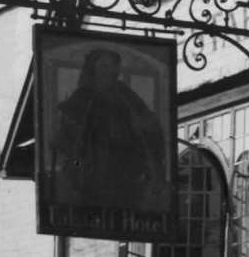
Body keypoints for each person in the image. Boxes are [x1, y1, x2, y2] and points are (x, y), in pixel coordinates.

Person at [50, 47, 169, 210]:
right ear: (94, 69)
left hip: (124, 157)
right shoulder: (83, 94)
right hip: (94, 158)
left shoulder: (124, 92)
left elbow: (146, 118)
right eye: (104, 66)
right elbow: (68, 127)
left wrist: (145, 126)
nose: (110, 71)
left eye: (113, 66)